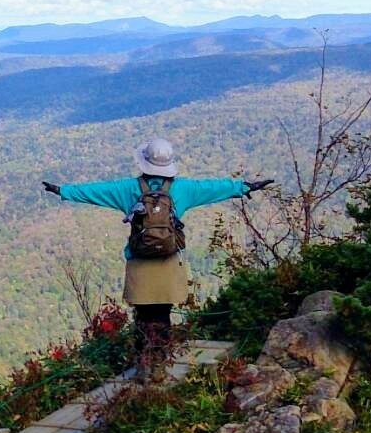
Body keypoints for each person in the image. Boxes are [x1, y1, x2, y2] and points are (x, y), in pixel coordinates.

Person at [43, 138, 273, 352]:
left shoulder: (127, 189)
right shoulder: (183, 189)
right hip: (169, 261)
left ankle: (145, 365)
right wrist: (244, 187)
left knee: (143, 317)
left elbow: (95, 191)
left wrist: (63, 191)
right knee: (163, 315)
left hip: (139, 261)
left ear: (144, 162)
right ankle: (161, 362)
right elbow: (213, 188)